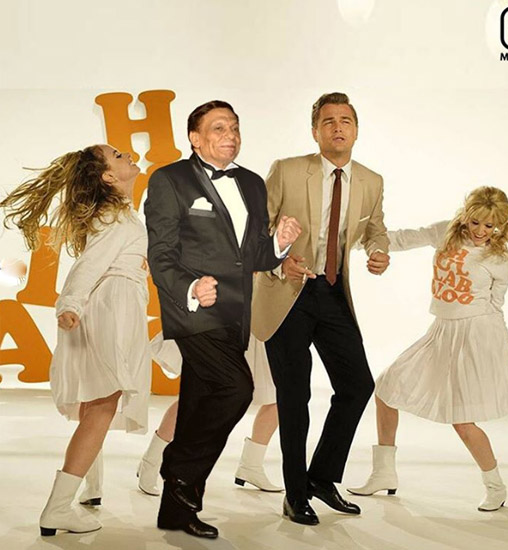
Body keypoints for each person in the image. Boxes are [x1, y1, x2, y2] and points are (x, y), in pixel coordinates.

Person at [144, 100, 301, 539]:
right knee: (237, 389)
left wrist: (280, 244)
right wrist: (191, 287)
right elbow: (161, 254)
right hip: (194, 310)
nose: (230, 135)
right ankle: (177, 468)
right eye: (218, 128)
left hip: (237, 312)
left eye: (234, 127)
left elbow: (254, 256)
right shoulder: (169, 180)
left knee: (199, 401)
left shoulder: (251, 182)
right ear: (194, 138)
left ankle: (176, 510)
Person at [347, 186, 508, 511]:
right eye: (475, 222)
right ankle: (384, 473)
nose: (481, 231)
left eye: (490, 226)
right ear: (466, 216)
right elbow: (403, 238)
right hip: (441, 331)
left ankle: (495, 486)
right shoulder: (446, 233)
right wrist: (355, 242)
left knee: (462, 421)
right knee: (386, 389)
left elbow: (496, 308)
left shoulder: (500, 259)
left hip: (476, 337)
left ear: (499, 225)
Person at [251, 92, 390, 525]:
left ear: (356, 129)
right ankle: (295, 494)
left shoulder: (371, 181)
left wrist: (379, 251)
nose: (337, 127)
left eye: (345, 120)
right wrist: (279, 261)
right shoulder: (288, 170)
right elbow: (255, 229)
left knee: (358, 385)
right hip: (286, 293)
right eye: (328, 121)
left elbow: (376, 229)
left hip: (332, 292)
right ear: (315, 131)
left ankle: (321, 478)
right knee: (295, 397)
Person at [1, 144, 151, 536]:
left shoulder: (117, 213)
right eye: (117, 155)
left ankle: (90, 486)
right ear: (107, 176)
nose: (127, 154)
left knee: (97, 401)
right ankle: (57, 508)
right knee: (103, 403)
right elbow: (89, 265)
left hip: (113, 304)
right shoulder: (115, 215)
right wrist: (69, 303)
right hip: (113, 308)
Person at [139, 333, 282, 496]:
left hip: (261, 329)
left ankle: (252, 465)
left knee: (279, 394)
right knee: (200, 393)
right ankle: (152, 460)